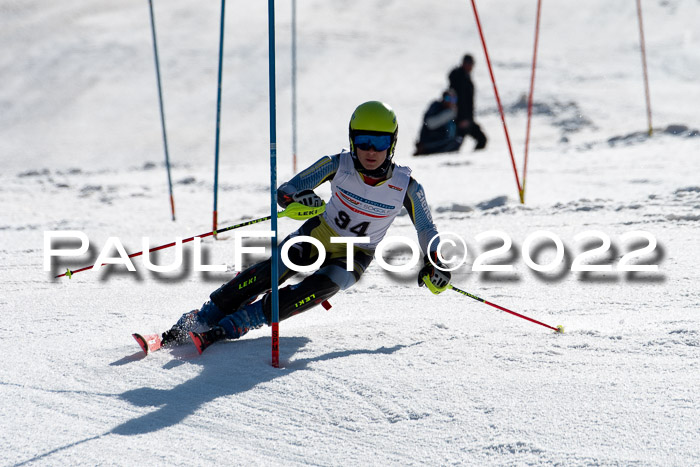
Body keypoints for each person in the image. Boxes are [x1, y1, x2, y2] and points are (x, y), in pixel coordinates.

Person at [159, 101, 452, 354]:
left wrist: (435, 262)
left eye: (380, 142)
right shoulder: (337, 164)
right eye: (363, 140)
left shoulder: (407, 187)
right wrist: (296, 197)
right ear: (352, 139)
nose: (370, 151)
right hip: (319, 234)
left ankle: (237, 324)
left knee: (317, 288)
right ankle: (201, 318)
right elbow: (289, 189)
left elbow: (427, 229)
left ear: (392, 143)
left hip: (355, 255)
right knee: (271, 272)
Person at [448, 54, 487, 150]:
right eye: (468, 63)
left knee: (482, 139)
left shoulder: (466, 78)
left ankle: (475, 161)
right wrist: (461, 118)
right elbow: (458, 101)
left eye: (472, 64)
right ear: (463, 63)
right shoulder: (458, 79)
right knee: (454, 146)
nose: (470, 66)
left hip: (467, 119)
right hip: (459, 120)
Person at [414, 89, 464, 156]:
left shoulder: (454, 112)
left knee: (457, 141)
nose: (450, 102)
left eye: (453, 99)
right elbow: (430, 123)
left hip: (445, 142)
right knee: (456, 142)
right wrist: (449, 114)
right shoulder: (436, 106)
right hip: (430, 143)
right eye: (448, 99)